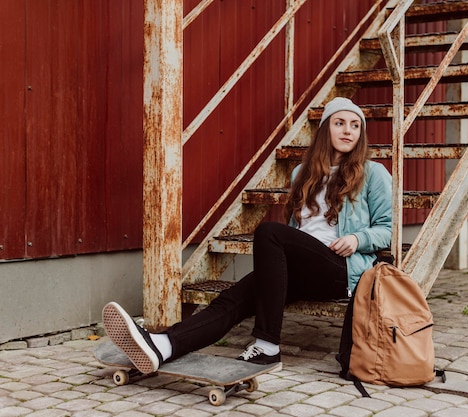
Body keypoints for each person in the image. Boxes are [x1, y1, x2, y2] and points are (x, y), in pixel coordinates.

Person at [102, 97, 392, 374]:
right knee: (233, 299)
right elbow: (297, 231)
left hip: (341, 269)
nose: (347, 131)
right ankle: (163, 346)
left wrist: (357, 240)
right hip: (302, 267)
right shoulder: (302, 174)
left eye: (355, 126)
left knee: (269, 232)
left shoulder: (373, 174)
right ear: (325, 128)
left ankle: (267, 345)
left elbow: (387, 230)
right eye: (340, 123)